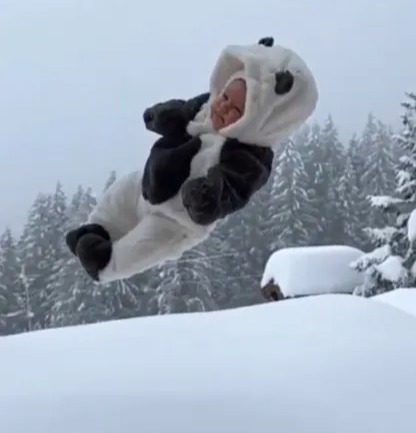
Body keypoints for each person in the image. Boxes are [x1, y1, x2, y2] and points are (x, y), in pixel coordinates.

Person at [66, 37, 318, 283]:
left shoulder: (247, 155)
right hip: (147, 184)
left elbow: (234, 187)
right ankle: (96, 231)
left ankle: (103, 265)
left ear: (259, 121)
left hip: (176, 219)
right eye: (225, 97)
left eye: (236, 110)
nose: (223, 106)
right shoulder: (205, 108)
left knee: (145, 244)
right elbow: (183, 111)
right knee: (121, 193)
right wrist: (163, 116)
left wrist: (207, 197)